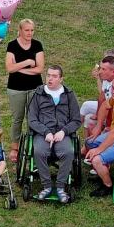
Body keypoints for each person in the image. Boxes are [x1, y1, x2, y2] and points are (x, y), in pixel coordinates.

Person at [27, 65, 80, 203]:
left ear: (61, 79)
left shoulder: (69, 94)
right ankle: (46, 186)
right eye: (48, 75)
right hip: (43, 133)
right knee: (39, 151)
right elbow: (32, 119)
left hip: (62, 133)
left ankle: (61, 186)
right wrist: (45, 132)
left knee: (68, 152)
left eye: (54, 76)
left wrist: (64, 131)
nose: (50, 78)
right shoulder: (38, 94)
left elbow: (76, 120)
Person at [5, 19, 45, 162]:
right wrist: (27, 63)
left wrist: (19, 68)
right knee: (17, 118)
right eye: (27, 30)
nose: (30, 33)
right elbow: (9, 68)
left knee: (33, 118)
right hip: (16, 89)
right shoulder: (12, 45)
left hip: (35, 88)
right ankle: (15, 148)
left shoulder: (37, 45)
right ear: (20, 30)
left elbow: (40, 69)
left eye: (32, 30)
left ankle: (31, 145)